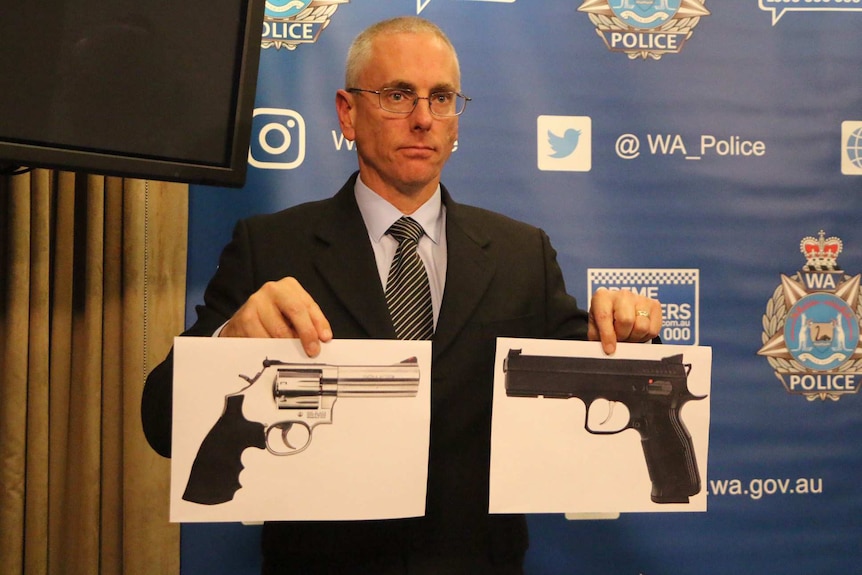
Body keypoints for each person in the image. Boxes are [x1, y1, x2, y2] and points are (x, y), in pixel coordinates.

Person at [141, 15, 662, 575]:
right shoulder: (270, 248)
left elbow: (587, 379)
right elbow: (162, 423)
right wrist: (230, 340)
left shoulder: (521, 254)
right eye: (397, 96)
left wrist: (632, 331)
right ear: (347, 113)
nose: (422, 119)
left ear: (456, 121)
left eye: (441, 98)